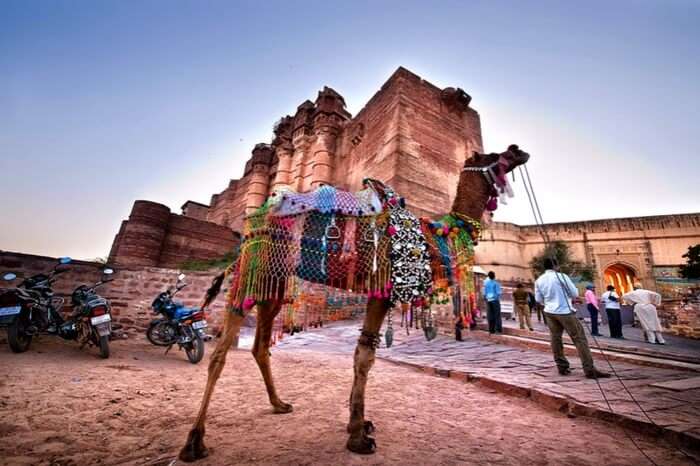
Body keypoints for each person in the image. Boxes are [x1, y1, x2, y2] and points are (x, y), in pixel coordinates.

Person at [535, 258, 610, 379]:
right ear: (556, 265)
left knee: (555, 339)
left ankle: (562, 366)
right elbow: (574, 293)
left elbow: (538, 299)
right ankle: (589, 369)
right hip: (564, 311)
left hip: (549, 312)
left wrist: (549, 302)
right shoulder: (561, 276)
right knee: (579, 339)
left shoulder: (539, 280)